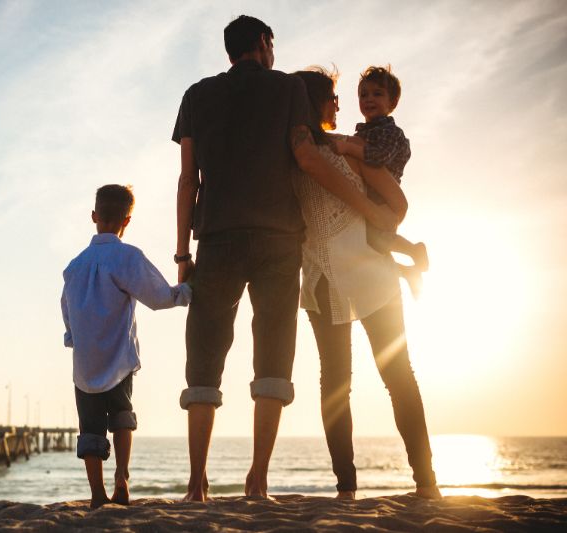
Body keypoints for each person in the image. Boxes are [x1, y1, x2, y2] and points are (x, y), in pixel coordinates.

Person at [172, 15, 398, 501]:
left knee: (204, 359)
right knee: (272, 358)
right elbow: (307, 156)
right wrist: (366, 207)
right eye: (271, 45)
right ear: (263, 44)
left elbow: (187, 178)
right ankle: (257, 480)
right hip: (277, 241)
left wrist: (181, 253)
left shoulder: (196, 95)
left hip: (214, 239)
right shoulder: (286, 89)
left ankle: (196, 484)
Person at [294, 68, 441, 500]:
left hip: (363, 276)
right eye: (335, 97)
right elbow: (392, 208)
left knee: (377, 378)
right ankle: (369, 486)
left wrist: (378, 221)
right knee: (358, 381)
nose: (341, 106)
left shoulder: (345, 149)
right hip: (330, 279)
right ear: (319, 101)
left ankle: (405, 484)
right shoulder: (309, 151)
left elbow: (396, 205)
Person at [61, 184, 192, 509]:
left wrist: (73, 339)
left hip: (85, 366)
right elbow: (159, 297)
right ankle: (122, 478)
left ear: (94, 216)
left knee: (90, 430)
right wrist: (187, 290)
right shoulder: (127, 257)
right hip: (119, 358)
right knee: (121, 416)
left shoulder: (74, 267)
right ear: (127, 220)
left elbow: (66, 312)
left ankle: (96, 495)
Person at [333, 66, 428, 297]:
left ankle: (414, 250)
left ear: (392, 102)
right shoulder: (366, 132)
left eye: (377, 94)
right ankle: (406, 272)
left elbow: (378, 158)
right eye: (363, 95)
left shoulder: (390, 132)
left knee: (373, 240)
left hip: (383, 199)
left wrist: (347, 147)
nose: (369, 99)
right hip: (369, 197)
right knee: (368, 254)